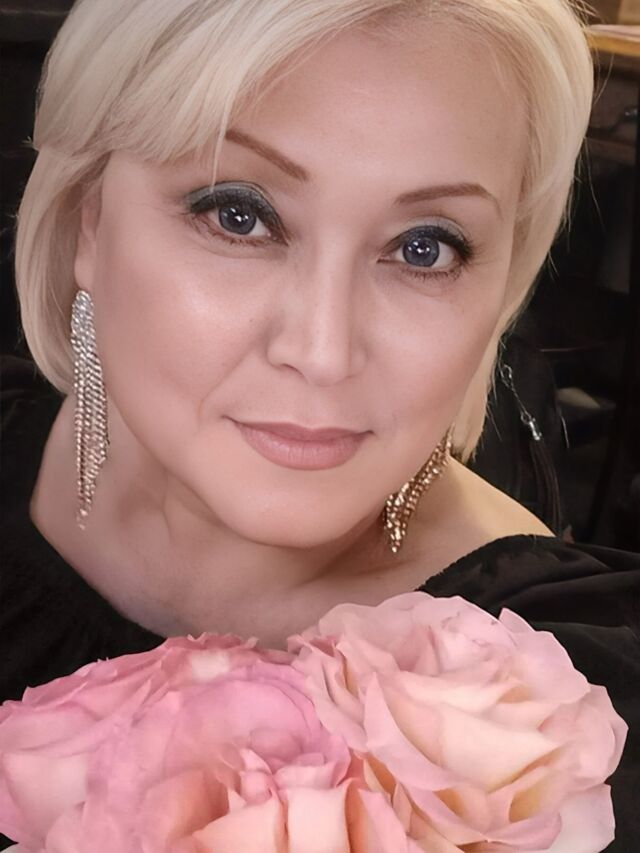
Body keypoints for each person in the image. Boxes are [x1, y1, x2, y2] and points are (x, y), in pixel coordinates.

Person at [1, 0, 638, 849]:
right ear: (89, 218)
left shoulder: (573, 716)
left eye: (424, 247)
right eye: (238, 214)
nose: (323, 352)